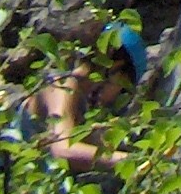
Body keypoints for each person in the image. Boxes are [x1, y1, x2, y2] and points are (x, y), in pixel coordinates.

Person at [9, 17, 146, 177]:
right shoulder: (60, 87)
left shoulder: (83, 103)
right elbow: (62, 150)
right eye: (122, 88)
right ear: (115, 68)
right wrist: (130, 161)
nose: (117, 97)